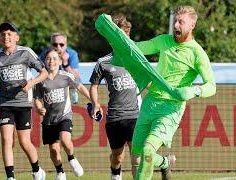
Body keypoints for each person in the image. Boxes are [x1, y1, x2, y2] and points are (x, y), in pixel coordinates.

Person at [130, 6, 217, 180]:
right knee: (137, 155)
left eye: (181, 22)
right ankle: (164, 162)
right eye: (175, 21)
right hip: (150, 102)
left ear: (192, 25)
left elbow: (212, 86)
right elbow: (139, 48)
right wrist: (119, 39)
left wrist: (194, 90)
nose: (176, 25)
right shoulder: (164, 40)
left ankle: (161, 163)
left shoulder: (197, 53)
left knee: (148, 150)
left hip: (171, 108)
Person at [0, 22, 48, 180]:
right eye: (3, 34)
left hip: (23, 103)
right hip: (4, 104)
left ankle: (37, 170)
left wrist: (31, 83)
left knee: (24, 141)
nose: (6, 37)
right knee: (6, 140)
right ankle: (10, 177)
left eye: (9, 34)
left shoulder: (26, 52)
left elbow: (43, 73)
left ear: (17, 37)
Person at [89, 15, 140, 180]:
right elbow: (94, 85)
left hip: (135, 116)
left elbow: (147, 82)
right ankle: (115, 173)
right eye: (121, 36)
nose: (125, 40)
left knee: (136, 157)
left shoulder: (135, 58)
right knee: (117, 156)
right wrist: (95, 103)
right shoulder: (103, 62)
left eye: (127, 36)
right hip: (115, 117)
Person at [34, 47, 89, 180]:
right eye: (48, 58)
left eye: (54, 58)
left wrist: (93, 100)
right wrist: (39, 108)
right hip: (48, 120)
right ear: (44, 61)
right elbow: (37, 99)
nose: (51, 61)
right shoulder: (40, 79)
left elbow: (80, 86)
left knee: (65, 139)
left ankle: (71, 158)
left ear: (59, 61)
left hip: (64, 116)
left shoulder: (66, 76)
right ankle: (60, 172)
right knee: (53, 150)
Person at [39, 32, 80, 104]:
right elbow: (41, 72)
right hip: (51, 81)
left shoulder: (72, 54)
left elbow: (76, 77)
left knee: (76, 81)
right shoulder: (45, 54)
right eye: (55, 44)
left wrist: (65, 63)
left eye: (61, 44)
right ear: (51, 45)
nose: (58, 47)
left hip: (67, 82)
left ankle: (74, 97)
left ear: (66, 45)